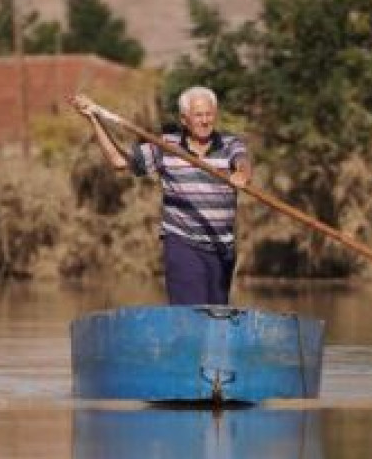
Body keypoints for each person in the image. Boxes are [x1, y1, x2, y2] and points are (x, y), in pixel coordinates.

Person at [73, 87, 252, 306]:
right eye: (198, 115)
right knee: (193, 312)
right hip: (183, 242)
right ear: (184, 120)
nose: (205, 121)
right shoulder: (166, 145)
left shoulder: (230, 144)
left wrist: (242, 174)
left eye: (209, 114)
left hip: (222, 247)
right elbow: (119, 161)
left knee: (218, 314)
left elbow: (242, 162)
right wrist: (94, 118)